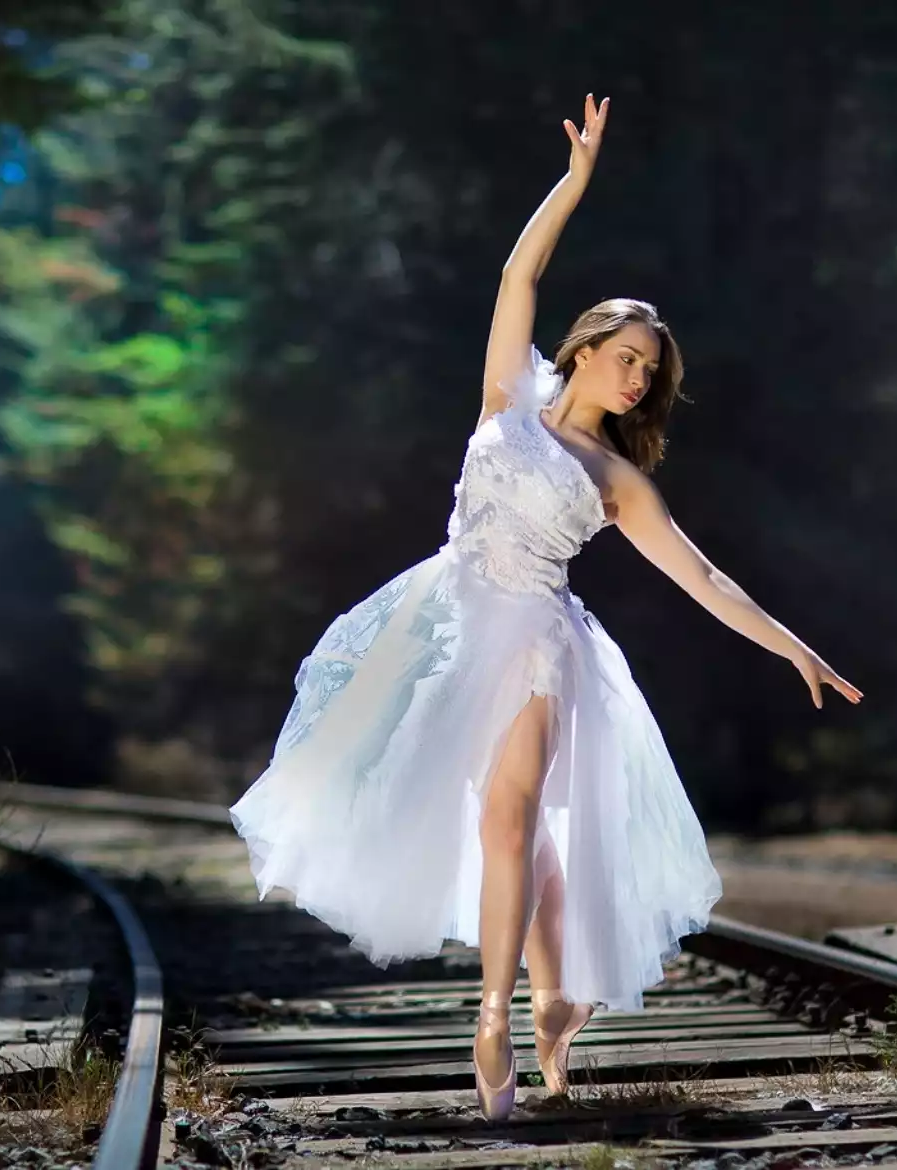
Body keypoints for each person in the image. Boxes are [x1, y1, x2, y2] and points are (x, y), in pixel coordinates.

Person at [228, 94, 862, 1121]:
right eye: (628, 356)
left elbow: (705, 579)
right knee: (521, 837)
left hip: (532, 641)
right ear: (586, 347)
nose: (637, 378)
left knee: (510, 818)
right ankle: (558, 997)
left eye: (650, 371)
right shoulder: (507, 398)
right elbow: (516, 276)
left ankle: (494, 1017)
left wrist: (795, 647)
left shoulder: (619, 480)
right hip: (442, 623)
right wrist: (573, 184)